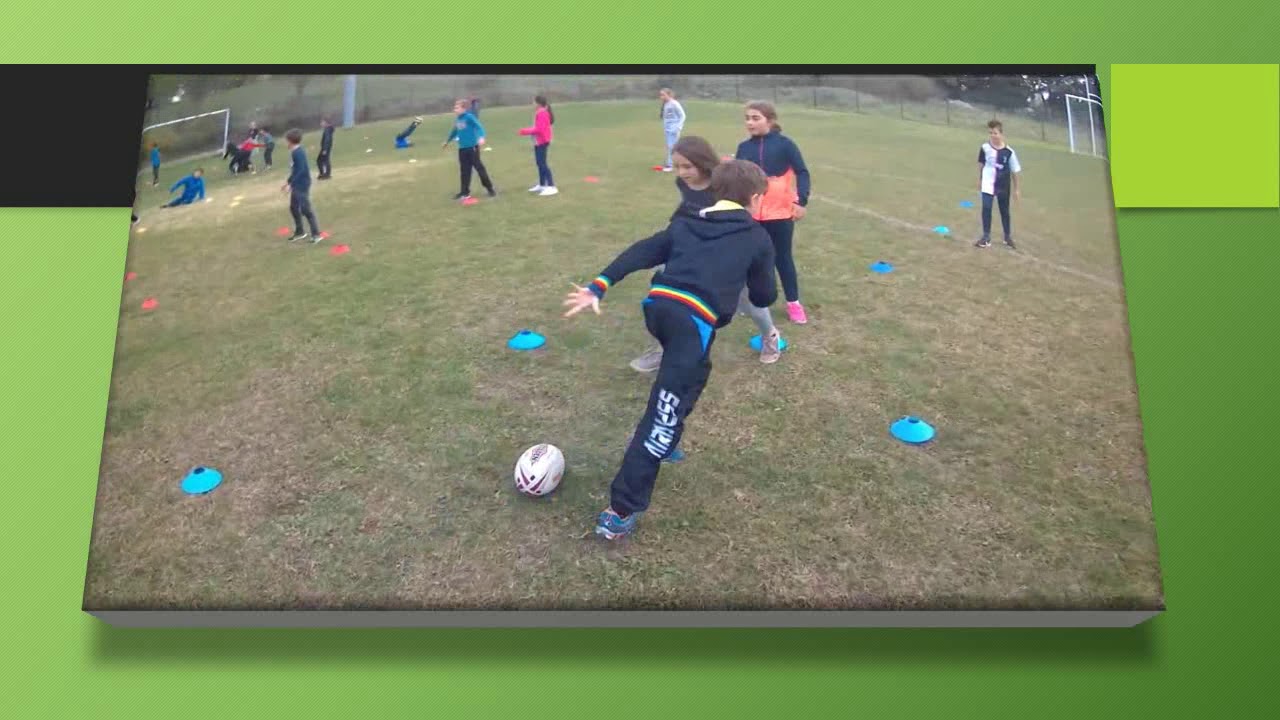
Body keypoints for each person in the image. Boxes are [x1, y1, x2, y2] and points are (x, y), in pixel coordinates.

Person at [562, 159, 778, 540]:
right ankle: (620, 510)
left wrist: (599, 286)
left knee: (696, 372)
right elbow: (764, 295)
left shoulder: (689, 220)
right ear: (756, 198)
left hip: (659, 309)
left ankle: (669, 442)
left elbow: (641, 251)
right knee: (661, 414)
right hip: (690, 321)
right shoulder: (757, 237)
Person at [630, 136, 783, 373]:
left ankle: (770, 337)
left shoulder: (723, 187)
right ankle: (663, 350)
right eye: (677, 166)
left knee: (749, 301)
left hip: (730, 253)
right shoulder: (684, 184)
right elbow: (687, 209)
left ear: (703, 164)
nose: (681, 172)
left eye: (687, 166)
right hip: (695, 248)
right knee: (668, 297)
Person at [734, 101, 812, 325]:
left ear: (770, 120)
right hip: (751, 215)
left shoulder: (785, 145)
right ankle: (751, 301)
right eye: (747, 118)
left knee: (782, 259)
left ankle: (793, 304)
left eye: (755, 118)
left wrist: (801, 201)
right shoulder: (744, 148)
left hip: (780, 215)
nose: (750, 122)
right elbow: (739, 179)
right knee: (750, 259)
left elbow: (802, 172)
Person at [975, 119, 1022, 249]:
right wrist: (979, 180)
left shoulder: (1009, 152)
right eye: (990, 133)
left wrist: (1017, 189)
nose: (993, 136)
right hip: (987, 183)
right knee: (986, 207)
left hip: (1003, 185)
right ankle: (986, 237)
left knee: (1004, 211)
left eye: (995, 133)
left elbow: (1015, 171)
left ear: (1001, 134)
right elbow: (980, 164)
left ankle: (1007, 237)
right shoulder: (985, 148)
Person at [442, 98, 496, 201]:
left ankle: (490, 188)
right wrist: (447, 141)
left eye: (457, 107)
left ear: (464, 108)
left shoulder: (469, 117)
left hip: (472, 148)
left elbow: (479, 127)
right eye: (455, 107)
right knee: (464, 171)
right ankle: (464, 192)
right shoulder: (458, 119)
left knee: (479, 169)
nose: (454, 109)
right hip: (462, 149)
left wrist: (481, 137)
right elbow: (454, 131)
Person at [280, 129, 323, 243]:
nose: (286, 143)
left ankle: (316, 234)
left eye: (286, 141)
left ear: (291, 141)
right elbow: (295, 170)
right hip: (297, 183)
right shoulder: (295, 152)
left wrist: (292, 184)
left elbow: (301, 170)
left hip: (302, 184)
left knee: (305, 209)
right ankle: (300, 232)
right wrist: (288, 182)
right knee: (294, 208)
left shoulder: (298, 152)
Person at [519, 95, 557, 196]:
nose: (532, 104)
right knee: (539, 163)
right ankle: (542, 184)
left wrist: (524, 131)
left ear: (538, 103)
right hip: (538, 142)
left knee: (542, 163)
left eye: (534, 102)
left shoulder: (542, 113)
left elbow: (539, 129)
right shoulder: (540, 112)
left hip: (542, 142)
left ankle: (551, 186)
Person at [658, 88, 686, 172]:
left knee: (672, 147)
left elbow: (683, 115)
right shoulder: (666, 104)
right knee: (672, 147)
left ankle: (670, 165)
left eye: (663, 95)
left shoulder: (674, 103)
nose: (661, 97)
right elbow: (665, 118)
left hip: (674, 129)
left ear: (669, 95)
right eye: (660, 95)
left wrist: (678, 127)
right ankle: (675, 163)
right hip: (667, 129)